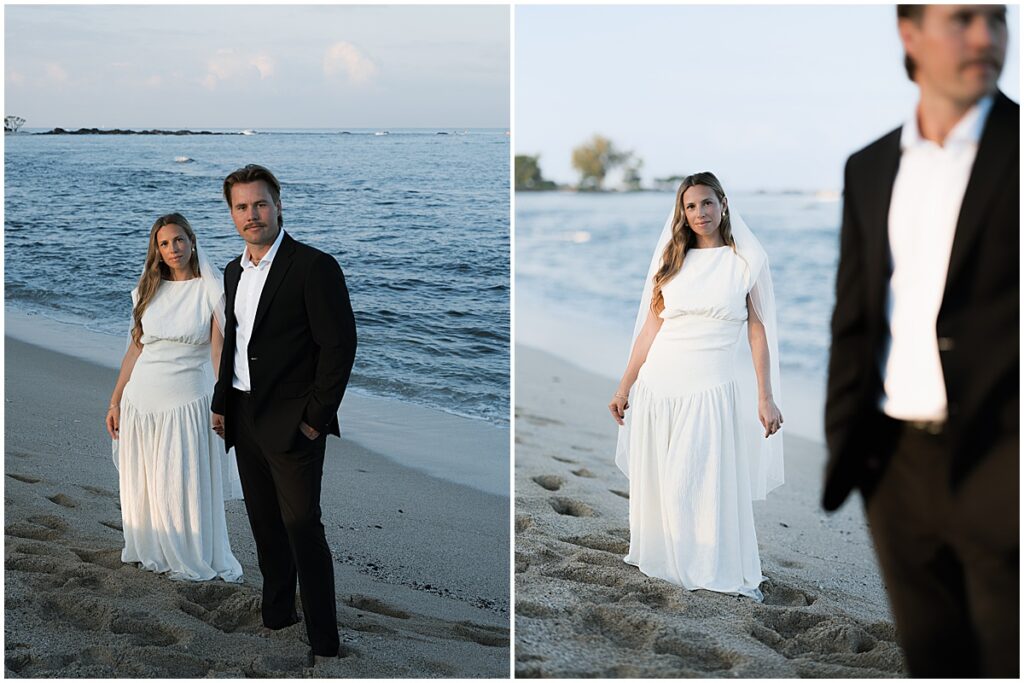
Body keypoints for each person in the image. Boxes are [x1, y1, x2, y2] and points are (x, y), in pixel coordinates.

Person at [823, 5, 1017, 677]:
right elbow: (853, 317)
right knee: (935, 664)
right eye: (963, 18)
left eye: (998, 19)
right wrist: (848, 440)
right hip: (894, 467)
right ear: (910, 36)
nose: (987, 37)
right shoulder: (868, 167)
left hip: (1004, 459)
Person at [608, 172, 784, 601]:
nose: (699, 213)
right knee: (665, 482)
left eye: (706, 203)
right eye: (690, 206)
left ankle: (706, 564)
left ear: (723, 204)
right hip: (658, 384)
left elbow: (757, 331)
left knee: (699, 480)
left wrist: (765, 396)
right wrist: (624, 386)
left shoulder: (746, 261)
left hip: (709, 389)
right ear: (681, 213)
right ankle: (664, 558)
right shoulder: (673, 259)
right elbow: (651, 328)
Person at [211, 164, 357, 665]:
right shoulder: (233, 271)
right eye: (241, 207)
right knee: (264, 524)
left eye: (260, 204)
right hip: (244, 414)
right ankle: (277, 616)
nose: (252, 215)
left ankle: (324, 641)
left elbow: (338, 348)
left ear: (278, 205)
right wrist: (221, 400)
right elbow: (235, 342)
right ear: (231, 214)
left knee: (302, 529)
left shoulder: (314, 267)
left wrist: (315, 418)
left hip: (294, 421)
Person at [106, 213, 243, 583]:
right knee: (146, 482)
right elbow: (135, 350)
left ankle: (190, 553)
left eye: (178, 240)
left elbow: (218, 354)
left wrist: (224, 401)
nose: (173, 249)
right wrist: (116, 401)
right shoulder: (147, 290)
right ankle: (150, 547)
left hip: (186, 404)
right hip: (140, 402)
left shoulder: (210, 289)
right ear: (156, 249)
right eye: (164, 243)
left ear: (192, 241)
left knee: (182, 485)